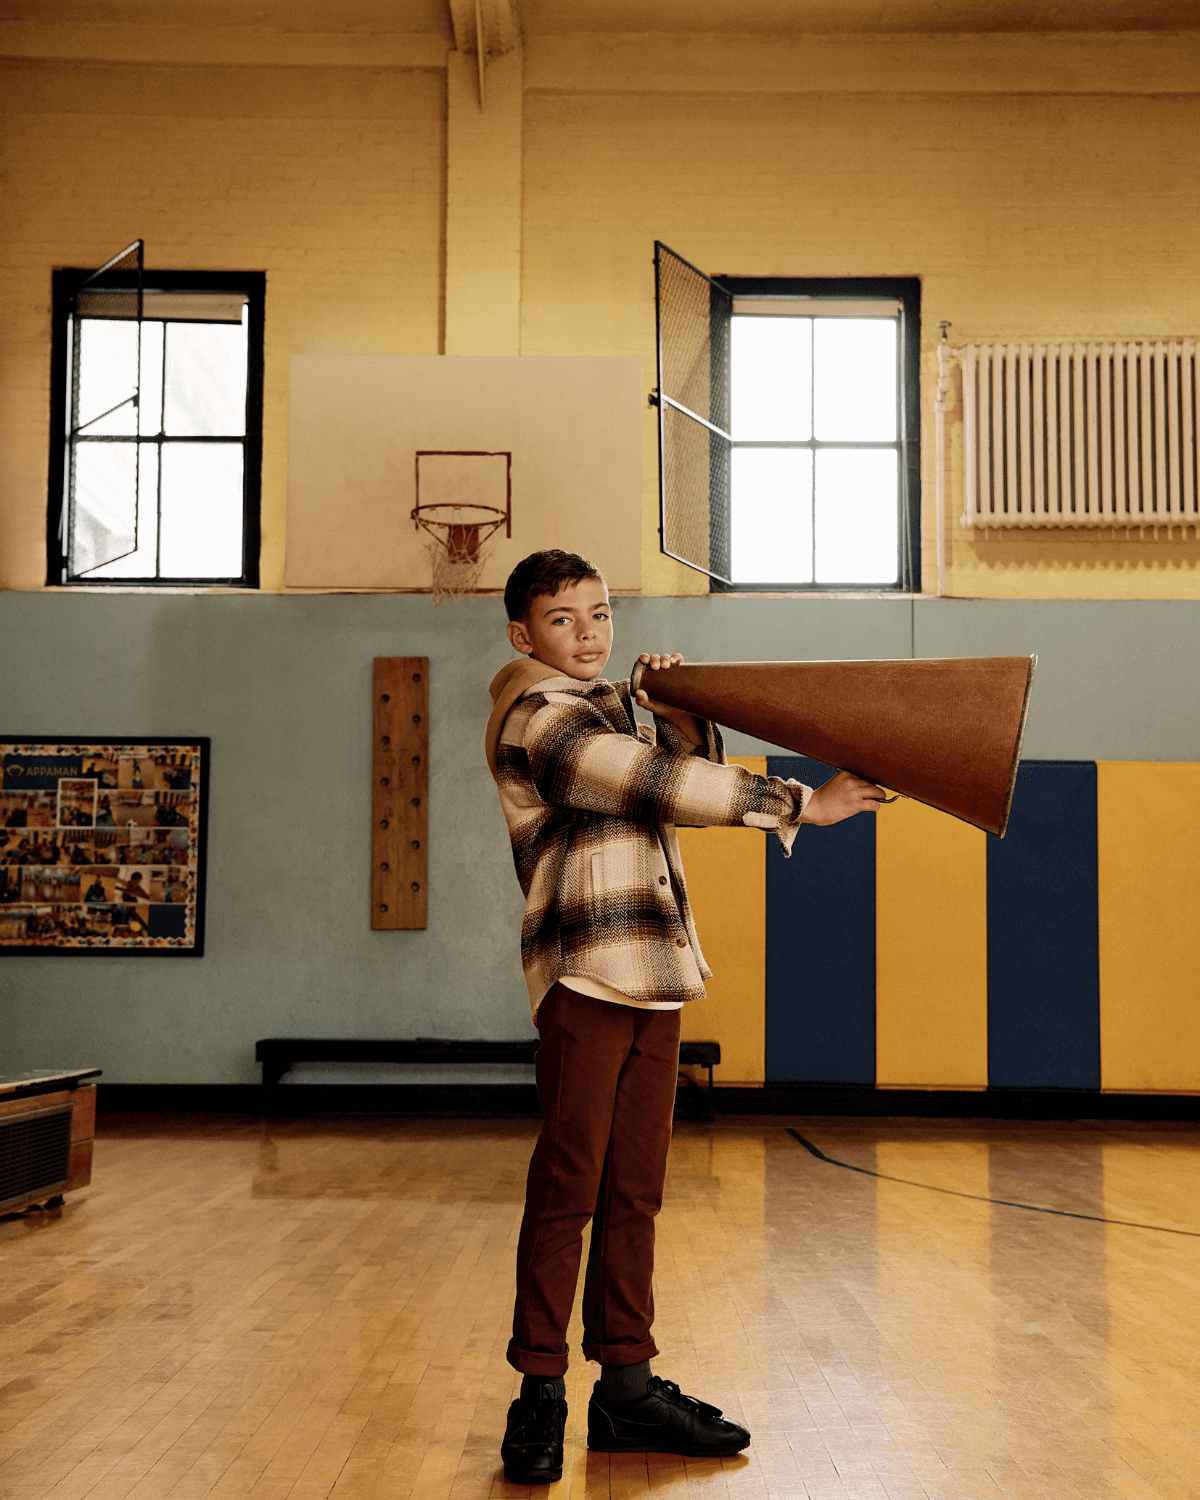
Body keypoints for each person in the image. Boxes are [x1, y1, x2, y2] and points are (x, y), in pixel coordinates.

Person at [486, 550, 882, 1485]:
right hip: (588, 975)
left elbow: (679, 776)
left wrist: (685, 717)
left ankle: (625, 1387)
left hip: (657, 971)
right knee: (568, 1187)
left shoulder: (611, 711)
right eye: (563, 621)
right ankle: (538, 1390)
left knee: (637, 1191)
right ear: (521, 636)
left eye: (601, 614)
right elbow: (654, 786)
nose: (589, 635)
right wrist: (802, 804)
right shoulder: (537, 717)